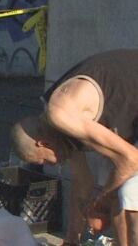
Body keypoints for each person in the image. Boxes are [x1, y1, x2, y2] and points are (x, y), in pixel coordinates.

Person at [11, 49, 138, 246]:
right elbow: (83, 182)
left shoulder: (61, 113)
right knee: (112, 182)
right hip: (131, 115)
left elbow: (131, 160)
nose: (52, 164)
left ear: (43, 143)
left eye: (43, 160)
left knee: (130, 194)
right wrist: (71, 239)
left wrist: (100, 203)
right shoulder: (61, 131)